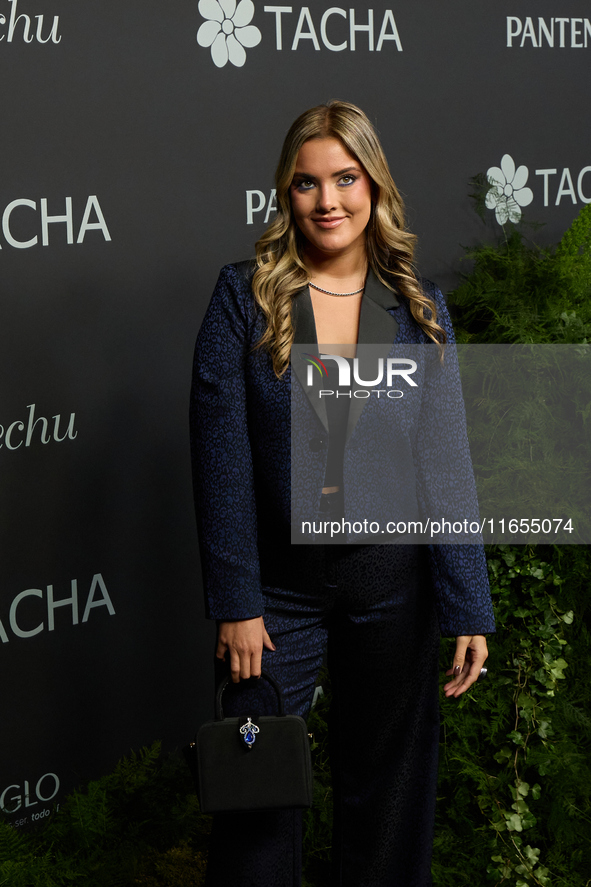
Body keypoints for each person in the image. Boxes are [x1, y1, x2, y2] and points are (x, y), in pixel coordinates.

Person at [190, 100, 495, 887]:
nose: (326, 201)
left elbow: (445, 462)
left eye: (344, 179)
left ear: (373, 185)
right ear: (285, 195)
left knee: (389, 789)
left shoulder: (419, 310)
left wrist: (466, 603)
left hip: (392, 584)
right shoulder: (242, 299)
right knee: (255, 797)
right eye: (305, 183)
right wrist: (236, 599)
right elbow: (220, 456)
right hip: (277, 595)